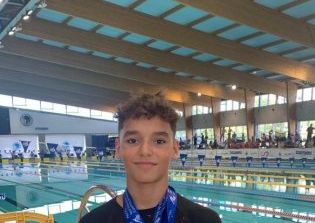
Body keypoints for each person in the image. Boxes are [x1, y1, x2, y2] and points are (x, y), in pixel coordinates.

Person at [80, 93, 220, 223]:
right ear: (118, 148)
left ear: (175, 149)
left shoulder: (205, 220)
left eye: (159, 141)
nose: (145, 151)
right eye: (133, 141)